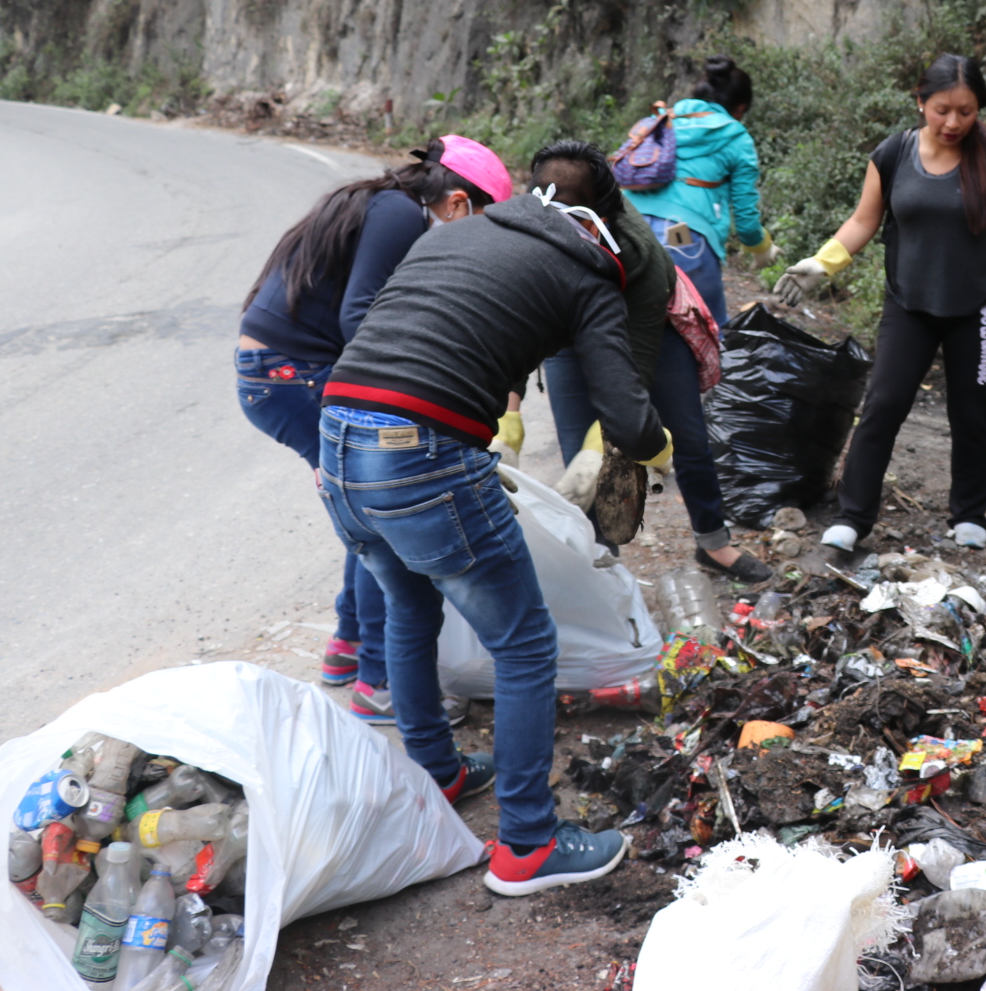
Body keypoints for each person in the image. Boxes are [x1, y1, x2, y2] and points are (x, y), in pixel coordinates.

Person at [319, 163, 671, 895]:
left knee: (409, 605)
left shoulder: (462, 229)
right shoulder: (587, 271)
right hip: (421, 454)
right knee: (524, 641)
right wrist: (654, 440)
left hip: (339, 437)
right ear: (602, 221)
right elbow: (629, 417)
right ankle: (528, 847)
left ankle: (434, 776)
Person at [236, 135, 510, 725]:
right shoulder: (397, 214)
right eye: (479, 226)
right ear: (457, 205)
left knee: (362, 512)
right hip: (295, 377)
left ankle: (347, 646)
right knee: (379, 520)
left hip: (282, 375)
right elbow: (361, 315)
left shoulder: (386, 204)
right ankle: (380, 682)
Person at [775, 53, 986, 552]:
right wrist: (821, 264)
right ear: (920, 103)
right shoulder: (893, 154)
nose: (954, 122)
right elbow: (863, 221)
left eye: (967, 111)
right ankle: (853, 517)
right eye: (942, 110)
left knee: (970, 410)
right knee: (884, 405)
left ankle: (970, 515)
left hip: (978, 306)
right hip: (908, 302)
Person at [533, 141, 772, 583]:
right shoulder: (529, 231)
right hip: (568, 335)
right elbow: (512, 328)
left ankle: (713, 544)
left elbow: (635, 365)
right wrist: (509, 409)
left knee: (688, 438)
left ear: (604, 212)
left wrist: (615, 431)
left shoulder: (637, 249)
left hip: (649, 329)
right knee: (582, 464)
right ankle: (602, 566)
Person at [621, 53, 778, 329]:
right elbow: (746, 221)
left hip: (624, 230)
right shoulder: (736, 136)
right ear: (740, 108)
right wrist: (763, 248)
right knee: (707, 335)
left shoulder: (659, 121)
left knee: (629, 330)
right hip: (682, 238)